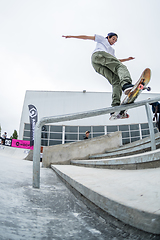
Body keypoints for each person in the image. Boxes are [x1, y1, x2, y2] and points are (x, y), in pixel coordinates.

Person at [62, 33, 135, 116]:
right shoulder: (102, 39)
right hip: (99, 54)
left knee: (116, 81)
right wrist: (71, 36)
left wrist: (127, 59)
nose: (113, 41)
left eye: (115, 41)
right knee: (121, 67)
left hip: (96, 64)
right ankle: (126, 84)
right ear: (108, 37)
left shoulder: (111, 51)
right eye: (113, 39)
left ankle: (115, 108)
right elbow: (86, 37)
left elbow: (116, 60)